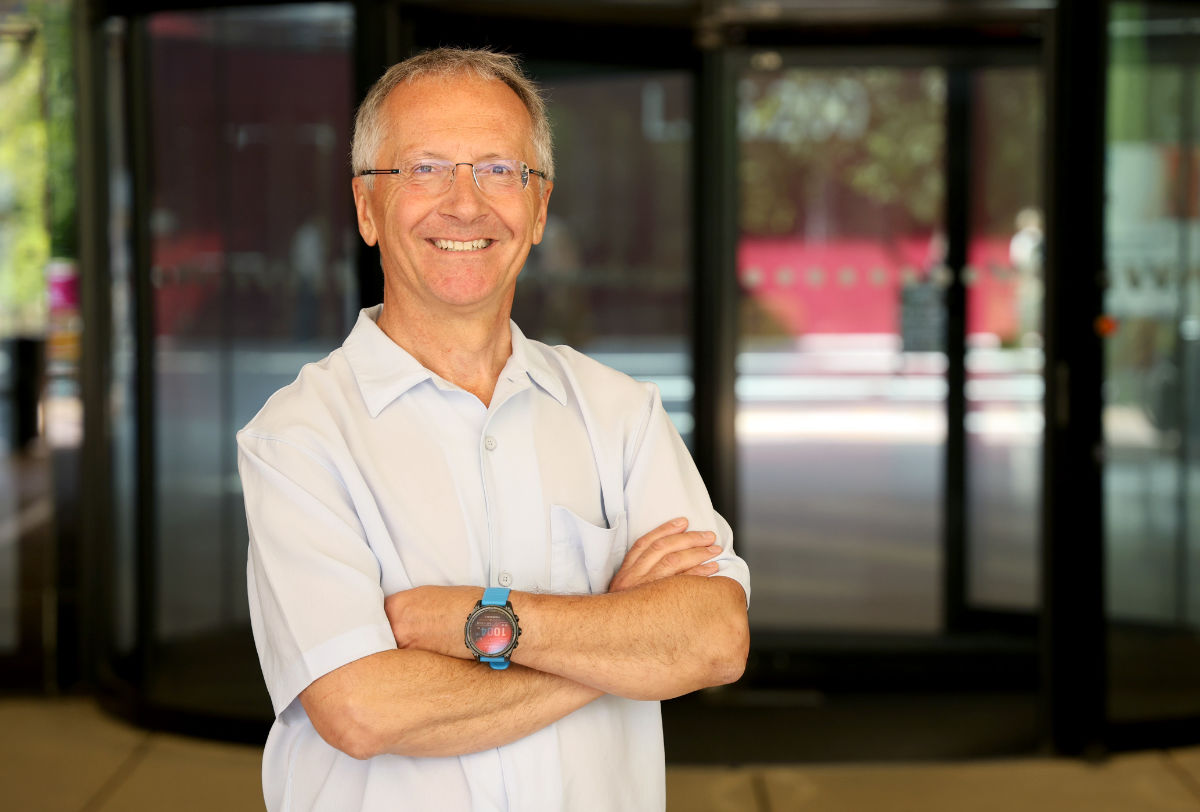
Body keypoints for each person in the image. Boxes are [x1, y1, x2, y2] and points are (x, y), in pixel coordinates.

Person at [238, 47, 751, 812]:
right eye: (425, 169)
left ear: (538, 209)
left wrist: (471, 623)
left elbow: (712, 639)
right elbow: (361, 709)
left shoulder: (621, 414)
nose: (466, 203)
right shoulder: (297, 439)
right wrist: (616, 636)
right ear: (366, 209)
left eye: (500, 170)